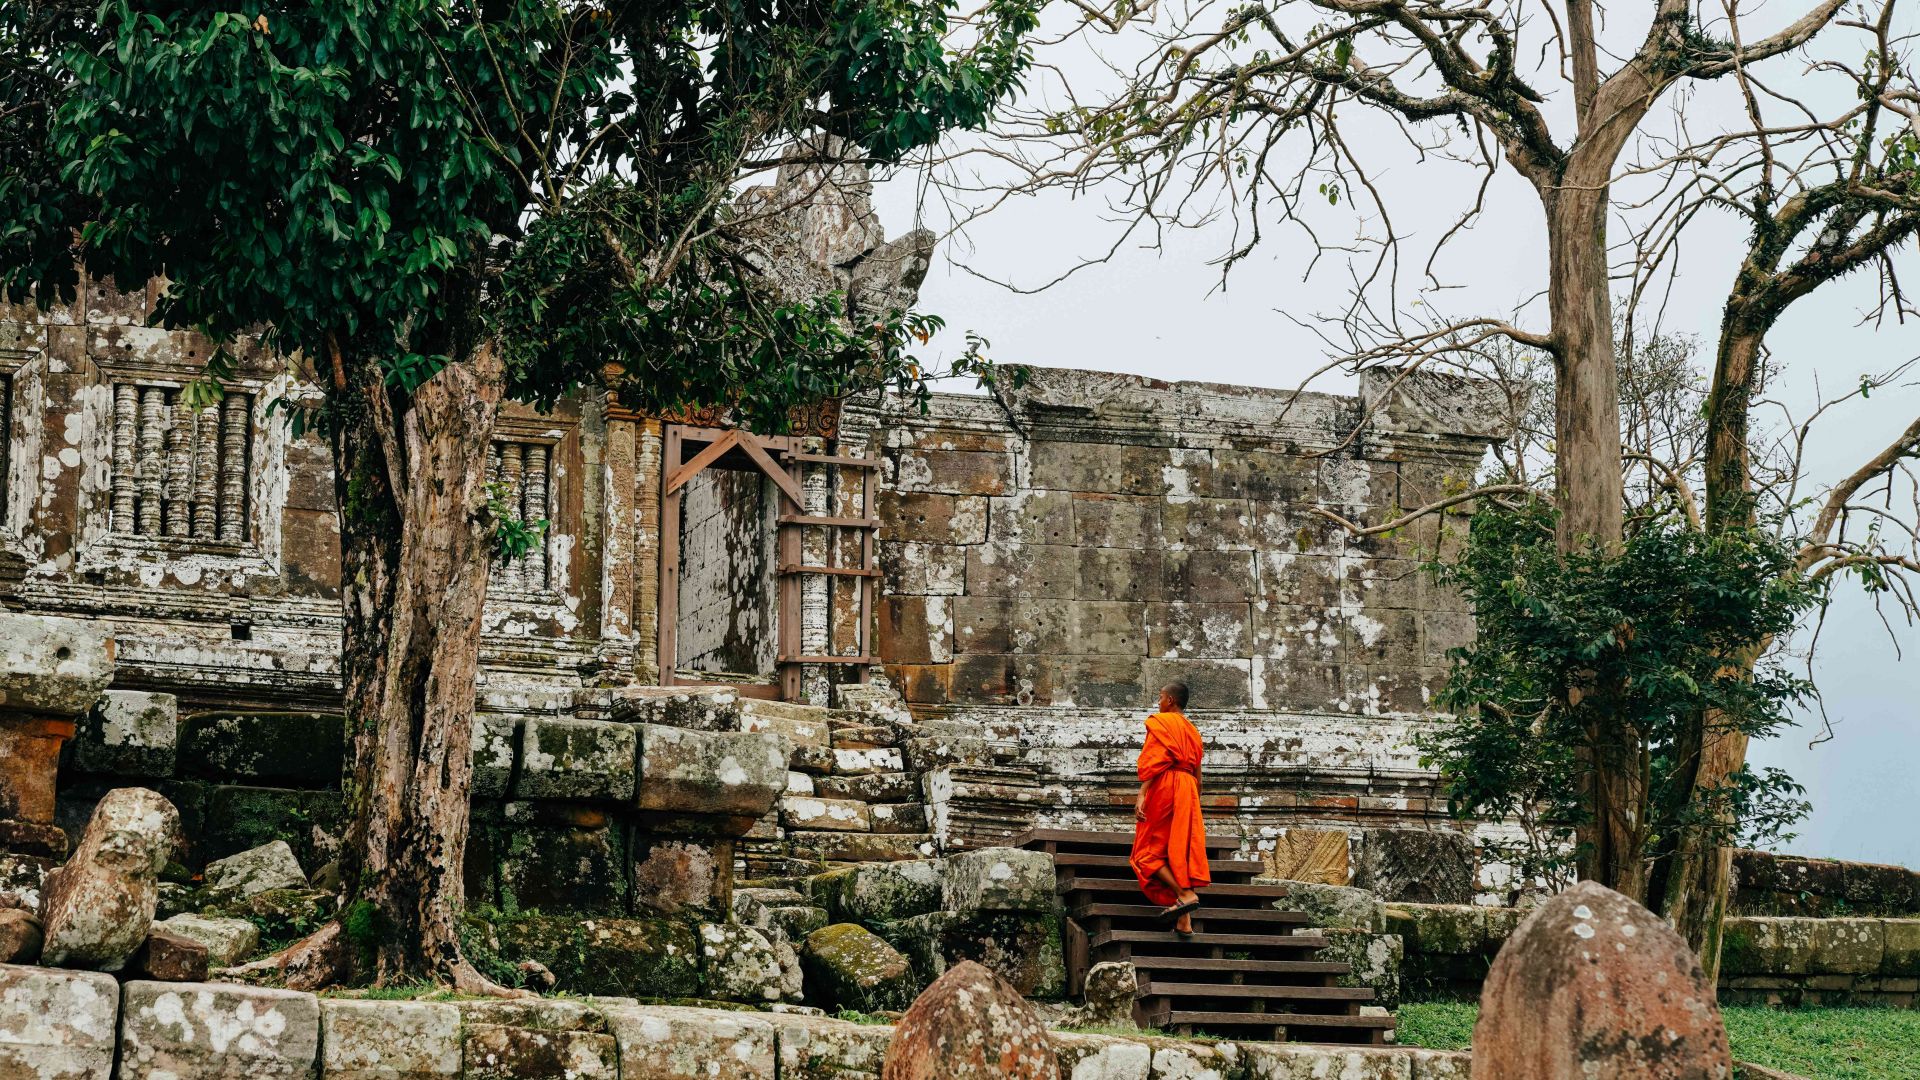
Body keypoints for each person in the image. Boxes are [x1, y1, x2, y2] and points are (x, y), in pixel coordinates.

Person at [1130, 682, 1210, 934]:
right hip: (1189, 789)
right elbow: (1199, 776)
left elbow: (1154, 764)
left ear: (1171, 700)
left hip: (1165, 785)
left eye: (1161, 697)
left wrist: (1142, 793)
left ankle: (1183, 894)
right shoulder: (1193, 731)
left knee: (1145, 852)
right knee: (1180, 850)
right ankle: (1184, 921)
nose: (1159, 702)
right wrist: (1192, 802)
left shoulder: (1161, 723)